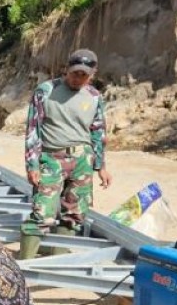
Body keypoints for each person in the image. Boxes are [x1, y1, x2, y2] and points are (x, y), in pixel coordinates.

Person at [18, 48, 113, 259]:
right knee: (42, 213)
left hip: (82, 160)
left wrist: (101, 166)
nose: (78, 79)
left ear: (92, 75)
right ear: (67, 69)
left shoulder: (94, 97)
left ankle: (56, 258)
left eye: (84, 75)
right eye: (75, 73)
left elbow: (98, 131)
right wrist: (32, 165)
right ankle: (23, 265)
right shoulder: (46, 91)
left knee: (75, 213)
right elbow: (33, 129)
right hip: (52, 158)